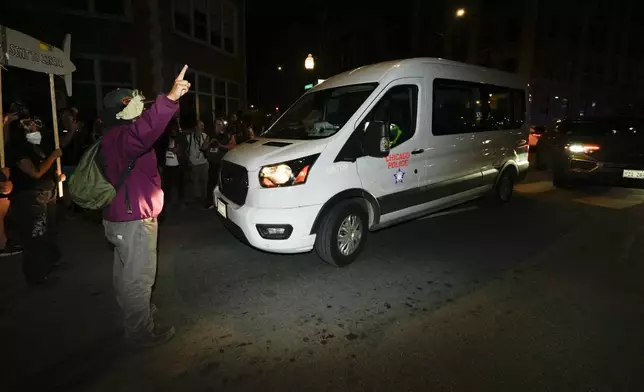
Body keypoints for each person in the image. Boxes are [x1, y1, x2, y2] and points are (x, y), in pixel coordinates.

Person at [101, 65, 190, 348]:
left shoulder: (112, 137)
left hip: (119, 217)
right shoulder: (125, 137)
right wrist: (171, 97)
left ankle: (134, 317)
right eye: (135, 102)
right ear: (120, 112)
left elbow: (148, 128)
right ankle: (140, 333)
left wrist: (168, 105)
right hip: (134, 219)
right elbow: (144, 132)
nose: (142, 105)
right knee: (138, 278)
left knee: (125, 274)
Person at [9, 117, 64, 285]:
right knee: (36, 236)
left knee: (49, 230)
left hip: (47, 191)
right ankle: (36, 276)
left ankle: (49, 263)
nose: (35, 130)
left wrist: (56, 176)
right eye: (30, 128)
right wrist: (53, 157)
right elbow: (35, 173)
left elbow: (45, 168)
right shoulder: (18, 149)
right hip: (31, 196)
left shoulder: (37, 146)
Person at [203, 118, 236, 209]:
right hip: (212, 164)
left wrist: (220, 145)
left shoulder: (229, 135)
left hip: (223, 164)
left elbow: (233, 146)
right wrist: (210, 142)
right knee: (211, 182)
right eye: (216, 124)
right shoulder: (211, 135)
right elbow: (204, 147)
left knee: (222, 183)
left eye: (220, 124)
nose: (218, 126)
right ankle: (210, 201)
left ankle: (223, 202)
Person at [183, 120, 209, 202]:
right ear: (196, 127)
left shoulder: (205, 136)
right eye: (201, 126)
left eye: (203, 126)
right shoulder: (189, 137)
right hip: (194, 163)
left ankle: (205, 196)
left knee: (205, 181)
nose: (202, 127)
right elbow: (185, 150)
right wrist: (188, 160)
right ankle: (198, 198)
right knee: (196, 182)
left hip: (204, 162)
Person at [162, 123, 186, 209]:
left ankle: (181, 201)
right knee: (167, 185)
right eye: (171, 130)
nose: (173, 131)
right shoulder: (165, 139)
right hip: (167, 166)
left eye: (174, 129)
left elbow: (184, 150)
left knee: (180, 184)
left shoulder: (181, 138)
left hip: (178, 165)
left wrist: (178, 151)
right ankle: (168, 201)